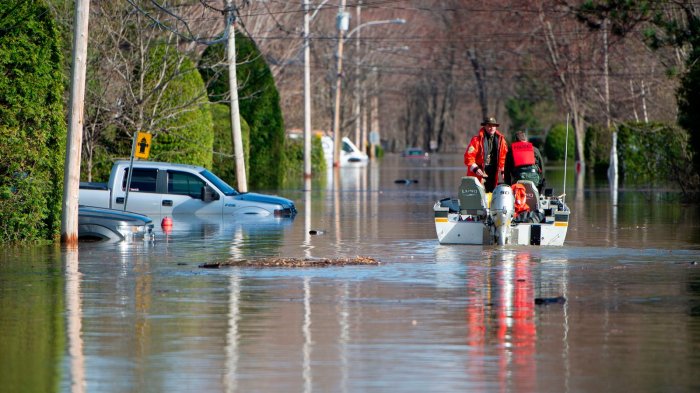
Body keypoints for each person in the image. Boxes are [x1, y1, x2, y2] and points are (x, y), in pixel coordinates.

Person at [464, 116, 508, 192]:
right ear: (485, 126)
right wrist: (475, 168)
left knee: (492, 193)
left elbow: (503, 157)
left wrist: (504, 171)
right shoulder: (476, 140)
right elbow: (468, 157)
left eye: (493, 125)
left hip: (493, 172)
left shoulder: (501, 141)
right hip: (479, 172)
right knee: (478, 194)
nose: (492, 128)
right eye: (489, 125)